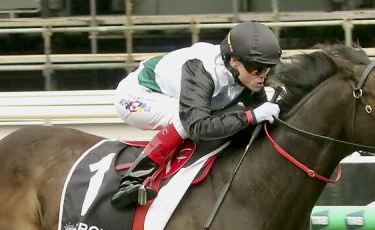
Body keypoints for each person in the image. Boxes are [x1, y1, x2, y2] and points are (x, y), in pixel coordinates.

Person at [111, 20, 282, 209]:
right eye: (256, 69)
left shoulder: (244, 72)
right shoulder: (202, 69)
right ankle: (131, 181)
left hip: (173, 93)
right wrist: (250, 116)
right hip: (136, 96)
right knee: (185, 120)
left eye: (267, 69)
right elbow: (198, 127)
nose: (262, 76)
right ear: (234, 61)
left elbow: (262, 119)